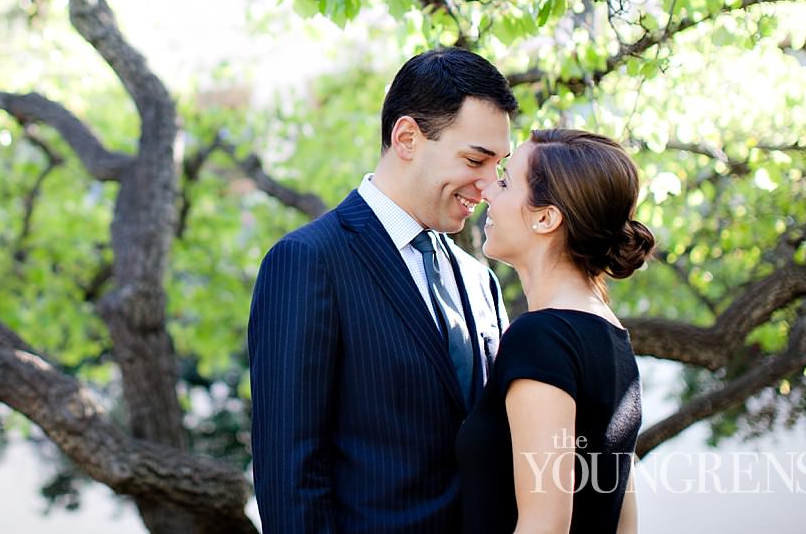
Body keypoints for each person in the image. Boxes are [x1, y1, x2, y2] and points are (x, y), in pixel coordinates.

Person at [248, 47, 518, 533]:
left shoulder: (480, 279)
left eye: (498, 166)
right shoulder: (309, 261)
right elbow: (291, 475)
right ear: (408, 137)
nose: (487, 186)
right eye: (475, 159)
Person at [456, 129, 656, 534]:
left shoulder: (541, 338)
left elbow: (544, 526)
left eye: (507, 182)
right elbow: (625, 525)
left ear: (545, 218)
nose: (488, 192)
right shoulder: (614, 337)